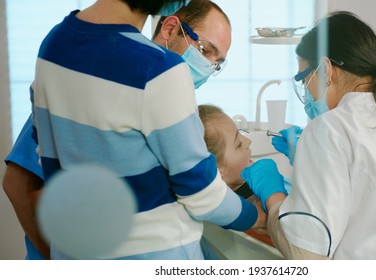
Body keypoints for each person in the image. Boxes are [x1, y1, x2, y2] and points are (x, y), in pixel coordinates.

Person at [16, 0, 269, 260]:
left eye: (216, 63)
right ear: (170, 25)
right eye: (205, 50)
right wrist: (255, 217)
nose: (207, 67)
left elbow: (50, 158)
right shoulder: (159, 69)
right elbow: (201, 194)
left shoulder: (53, 45)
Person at [242, 11, 376, 259]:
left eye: (304, 80)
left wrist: (272, 196)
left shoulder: (331, 129)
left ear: (326, 69)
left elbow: (305, 256)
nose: (306, 93)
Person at [198, 104, 276, 247]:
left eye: (240, 133)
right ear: (217, 171)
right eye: (238, 144)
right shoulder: (244, 219)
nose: (248, 141)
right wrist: (275, 201)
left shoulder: (251, 188)